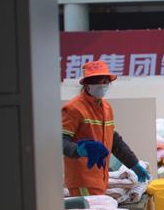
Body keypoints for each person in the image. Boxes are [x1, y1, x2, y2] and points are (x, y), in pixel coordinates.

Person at [62, 60, 150, 196]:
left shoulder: (107, 108)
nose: (102, 84)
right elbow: (61, 141)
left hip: (100, 178)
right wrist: (79, 150)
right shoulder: (73, 108)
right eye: (97, 80)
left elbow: (114, 140)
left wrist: (133, 163)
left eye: (105, 81)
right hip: (82, 178)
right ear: (86, 84)